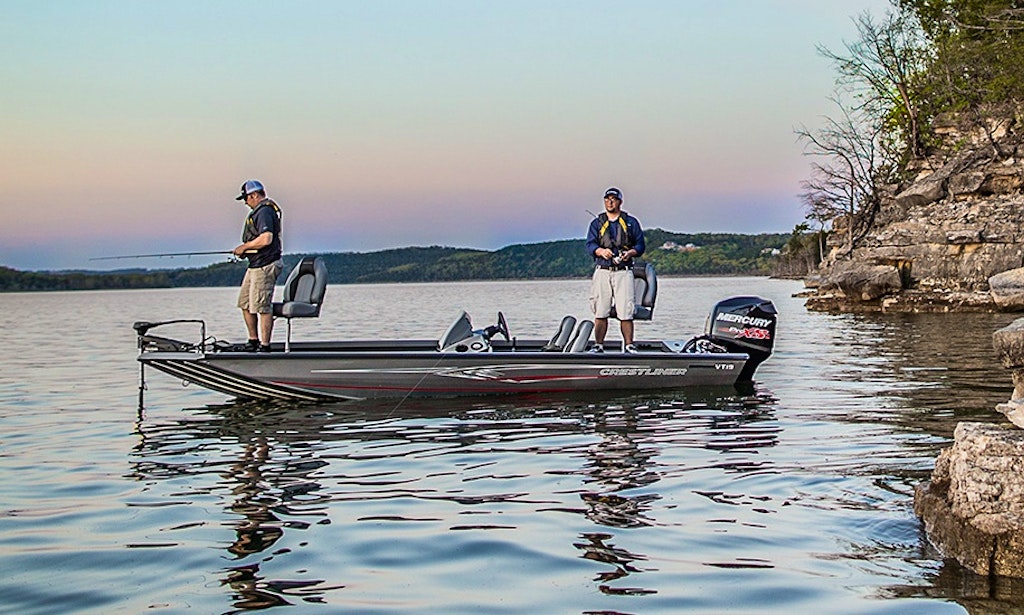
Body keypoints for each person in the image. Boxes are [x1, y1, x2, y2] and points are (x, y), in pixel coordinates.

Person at [585, 187, 646, 353]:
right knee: (600, 310)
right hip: (603, 270)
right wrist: (601, 251)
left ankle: (629, 345)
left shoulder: (631, 222)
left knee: (626, 310)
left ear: (620, 202)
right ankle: (598, 345)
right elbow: (590, 245)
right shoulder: (596, 223)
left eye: (613, 199)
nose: (610, 202)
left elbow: (640, 246)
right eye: (607, 199)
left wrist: (629, 253)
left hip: (623, 271)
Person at [233, 180, 283, 352]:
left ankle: (265, 346)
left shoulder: (264, 212)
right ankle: (253, 341)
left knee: (262, 306)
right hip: (255, 264)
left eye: (246, 198)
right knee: (245, 303)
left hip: (265, 265)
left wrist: (245, 247)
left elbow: (266, 238)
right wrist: (246, 251)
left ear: (254, 195)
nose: (245, 203)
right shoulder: (259, 212)